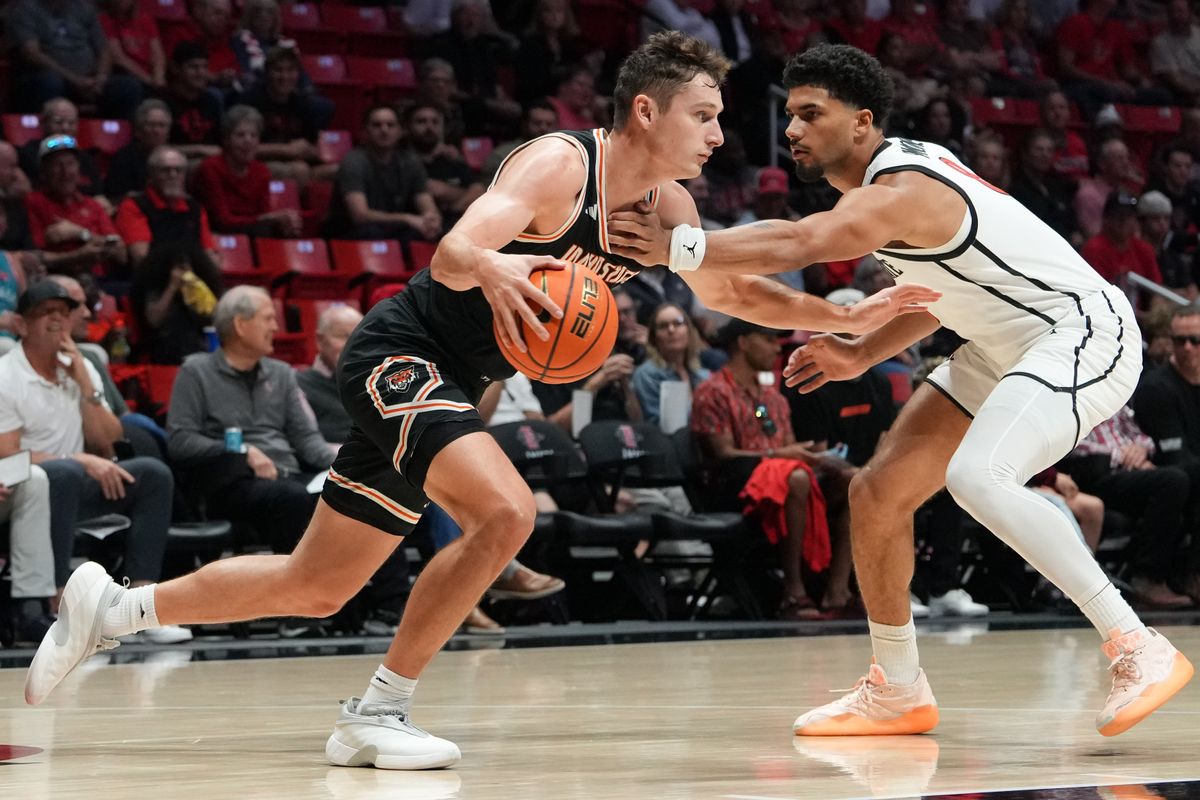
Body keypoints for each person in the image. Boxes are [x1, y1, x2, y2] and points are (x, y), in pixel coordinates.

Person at [24, 33, 934, 769]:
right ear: (647, 110)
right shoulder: (557, 166)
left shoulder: (667, 210)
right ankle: (377, 713)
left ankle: (115, 609)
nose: (718, 135)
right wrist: (499, 265)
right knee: (503, 514)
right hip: (400, 355)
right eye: (704, 114)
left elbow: (738, 295)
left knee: (318, 580)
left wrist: (846, 315)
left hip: (453, 386)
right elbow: (455, 250)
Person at [606, 43, 1191, 738]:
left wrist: (680, 247)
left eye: (810, 114)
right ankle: (897, 687)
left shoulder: (903, 187)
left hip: (1081, 333)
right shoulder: (887, 184)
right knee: (876, 493)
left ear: (861, 122)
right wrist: (861, 351)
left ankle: (1136, 644)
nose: (792, 129)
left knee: (980, 474)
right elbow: (934, 292)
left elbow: (803, 240)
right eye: (789, 115)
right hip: (1002, 344)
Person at [0, 280, 186, 644]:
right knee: (61, 473)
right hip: (26, 485)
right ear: (21, 325)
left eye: (63, 313)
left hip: (75, 483)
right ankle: (58, 607)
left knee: (152, 475)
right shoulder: (7, 374)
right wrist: (79, 459)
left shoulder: (79, 365)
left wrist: (86, 382)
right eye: (45, 314)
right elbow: (8, 454)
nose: (57, 321)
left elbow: (109, 440)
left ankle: (139, 608)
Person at [192, 105, 302, 237]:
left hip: (253, 231)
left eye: (253, 135)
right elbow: (221, 221)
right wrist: (268, 219)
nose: (248, 141)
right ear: (226, 140)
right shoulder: (210, 168)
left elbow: (263, 215)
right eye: (240, 135)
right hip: (217, 235)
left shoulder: (261, 171)